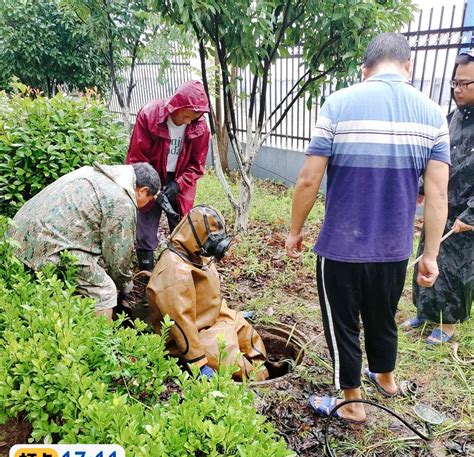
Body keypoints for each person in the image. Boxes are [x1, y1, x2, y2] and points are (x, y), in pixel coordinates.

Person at [285, 32, 450, 423]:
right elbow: (439, 193)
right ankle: (386, 378)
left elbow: (309, 180)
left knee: (342, 323)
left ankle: (353, 403)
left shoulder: (339, 103)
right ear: (407, 67)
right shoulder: (432, 114)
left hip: (340, 248)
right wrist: (430, 255)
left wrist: (295, 230)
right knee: (383, 315)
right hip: (394, 248)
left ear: (365, 68)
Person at [8, 162, 160, 318]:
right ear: (143, 191)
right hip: (44, 246)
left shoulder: (90, 172)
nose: (148, 205)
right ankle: (100, 338)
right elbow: (118, 259)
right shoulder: (121, 201)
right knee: (105, 292)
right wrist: (125, 286)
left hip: (15, 236)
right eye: (151, 199)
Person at [147, 205, 269, 381]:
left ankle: (267, 371)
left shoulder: (197, 254)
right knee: (235, 362)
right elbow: (180, 323)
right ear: (195, 234)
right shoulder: (175, 271)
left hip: (214, 316)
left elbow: (210, 292)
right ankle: (258, 383)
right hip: (196, 333)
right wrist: (199, 363)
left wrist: (228, 312)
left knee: (249, 338)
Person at [403, 49, 473, 343]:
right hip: (441, 203)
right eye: (455, 83)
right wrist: (421, 190)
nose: (458, 89)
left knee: (456, 269)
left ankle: (448, 324)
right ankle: (426, 311)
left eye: (465, 83)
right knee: (429, 255)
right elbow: (436, 161)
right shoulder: (451, 120)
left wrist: (471, 215)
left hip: (464, 214)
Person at [126, 80, 210, 273]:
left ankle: (179, 274)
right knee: (145, 224)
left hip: (181, 178)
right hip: (149, 173)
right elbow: (137, 159)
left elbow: (197, 166)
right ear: (176, 106)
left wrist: (178, 185)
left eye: (194, 118)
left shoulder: (200, 127)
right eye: (187, 115)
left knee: (181, 227)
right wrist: (153, 188)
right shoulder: (149, 115)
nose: (190, 121)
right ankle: (147, 274)